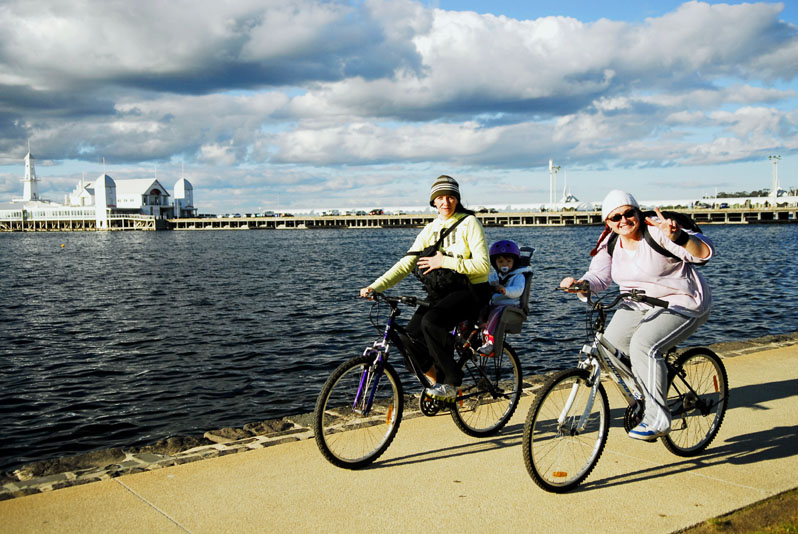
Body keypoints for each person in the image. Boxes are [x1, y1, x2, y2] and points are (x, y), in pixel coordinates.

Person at [560, 189, 714, 441]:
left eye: (628, 213)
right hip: (637, 304)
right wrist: (582, 284)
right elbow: (599, 276)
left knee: (644, 344)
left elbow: (703, 253)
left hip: (682, 303)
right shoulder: (610, 242)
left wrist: (680, 237)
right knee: (609, 348)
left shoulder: (657, 232)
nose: (623, 220)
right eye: (615, 217)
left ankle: (658, 418)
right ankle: (645, 392)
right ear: (607, 222)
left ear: (637, 213)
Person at [360, 175, 491, 402]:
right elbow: (406, 264)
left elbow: (483, 266)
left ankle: (451, 381)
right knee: (410, 338)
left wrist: (445, 261)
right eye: (440, 198)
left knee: (432, 321)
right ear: (433, 202)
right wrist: (374, 286)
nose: (445, 202)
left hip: (471, 291)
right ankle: (436, 384)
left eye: (450, 197)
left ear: (457, 199)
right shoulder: (430, 229)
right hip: (442, 293)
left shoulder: (470, 223)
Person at [477, 240, 532, 355]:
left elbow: (518, 291)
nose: (504, 264)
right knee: (480, 309)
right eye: (500, 261)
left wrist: (505, 290)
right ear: (495, 263)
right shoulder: (497, 275)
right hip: (496, 304)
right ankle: (476, 329)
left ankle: (489, 343)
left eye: (508, 261)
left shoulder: (518, 276)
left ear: (514, 262)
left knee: (495, 314)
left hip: (510, 306)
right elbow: (489, 282)